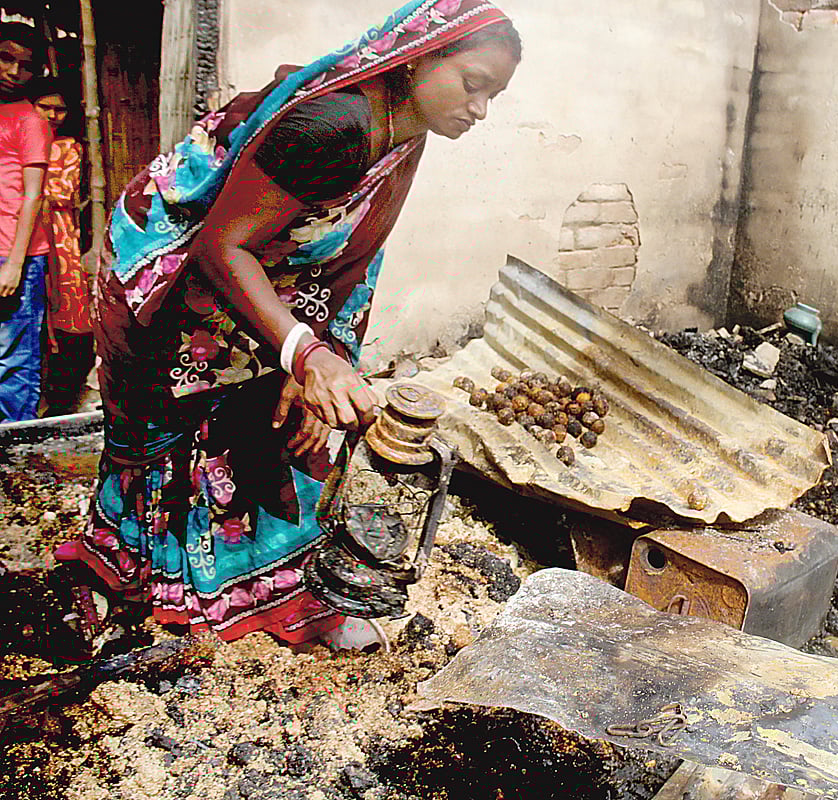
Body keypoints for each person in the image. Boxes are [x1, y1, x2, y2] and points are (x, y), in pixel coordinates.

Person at [53, 0, 520, 653]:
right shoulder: (334, 124)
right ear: (416, 57)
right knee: (156, 453)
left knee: (277, 436)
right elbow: (221, 246)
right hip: (167, 286)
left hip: (253, 298)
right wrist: (302, 351)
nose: (481, 110)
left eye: (493, 95)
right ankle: (129, 587)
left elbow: (353, 253)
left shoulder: (406, 130)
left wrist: (324, 353)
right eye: (473, 85)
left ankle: (247, 597)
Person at [28, 76, 93, 416]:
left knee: (65, 313)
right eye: (44, 108)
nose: (52, 116)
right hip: (22, 230)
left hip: (58, 232)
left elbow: (60, 194)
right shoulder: (16, 141)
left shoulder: (68, 146)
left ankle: (59, 395)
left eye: (59, 110)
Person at [0, 22, 51, 421]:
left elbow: (34, 195)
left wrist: (16, 263)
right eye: (5, 59)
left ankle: (17, 453)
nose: (15, 73)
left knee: (13, 358)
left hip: (15, 254)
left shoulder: (30, 121)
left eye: (26, 66)